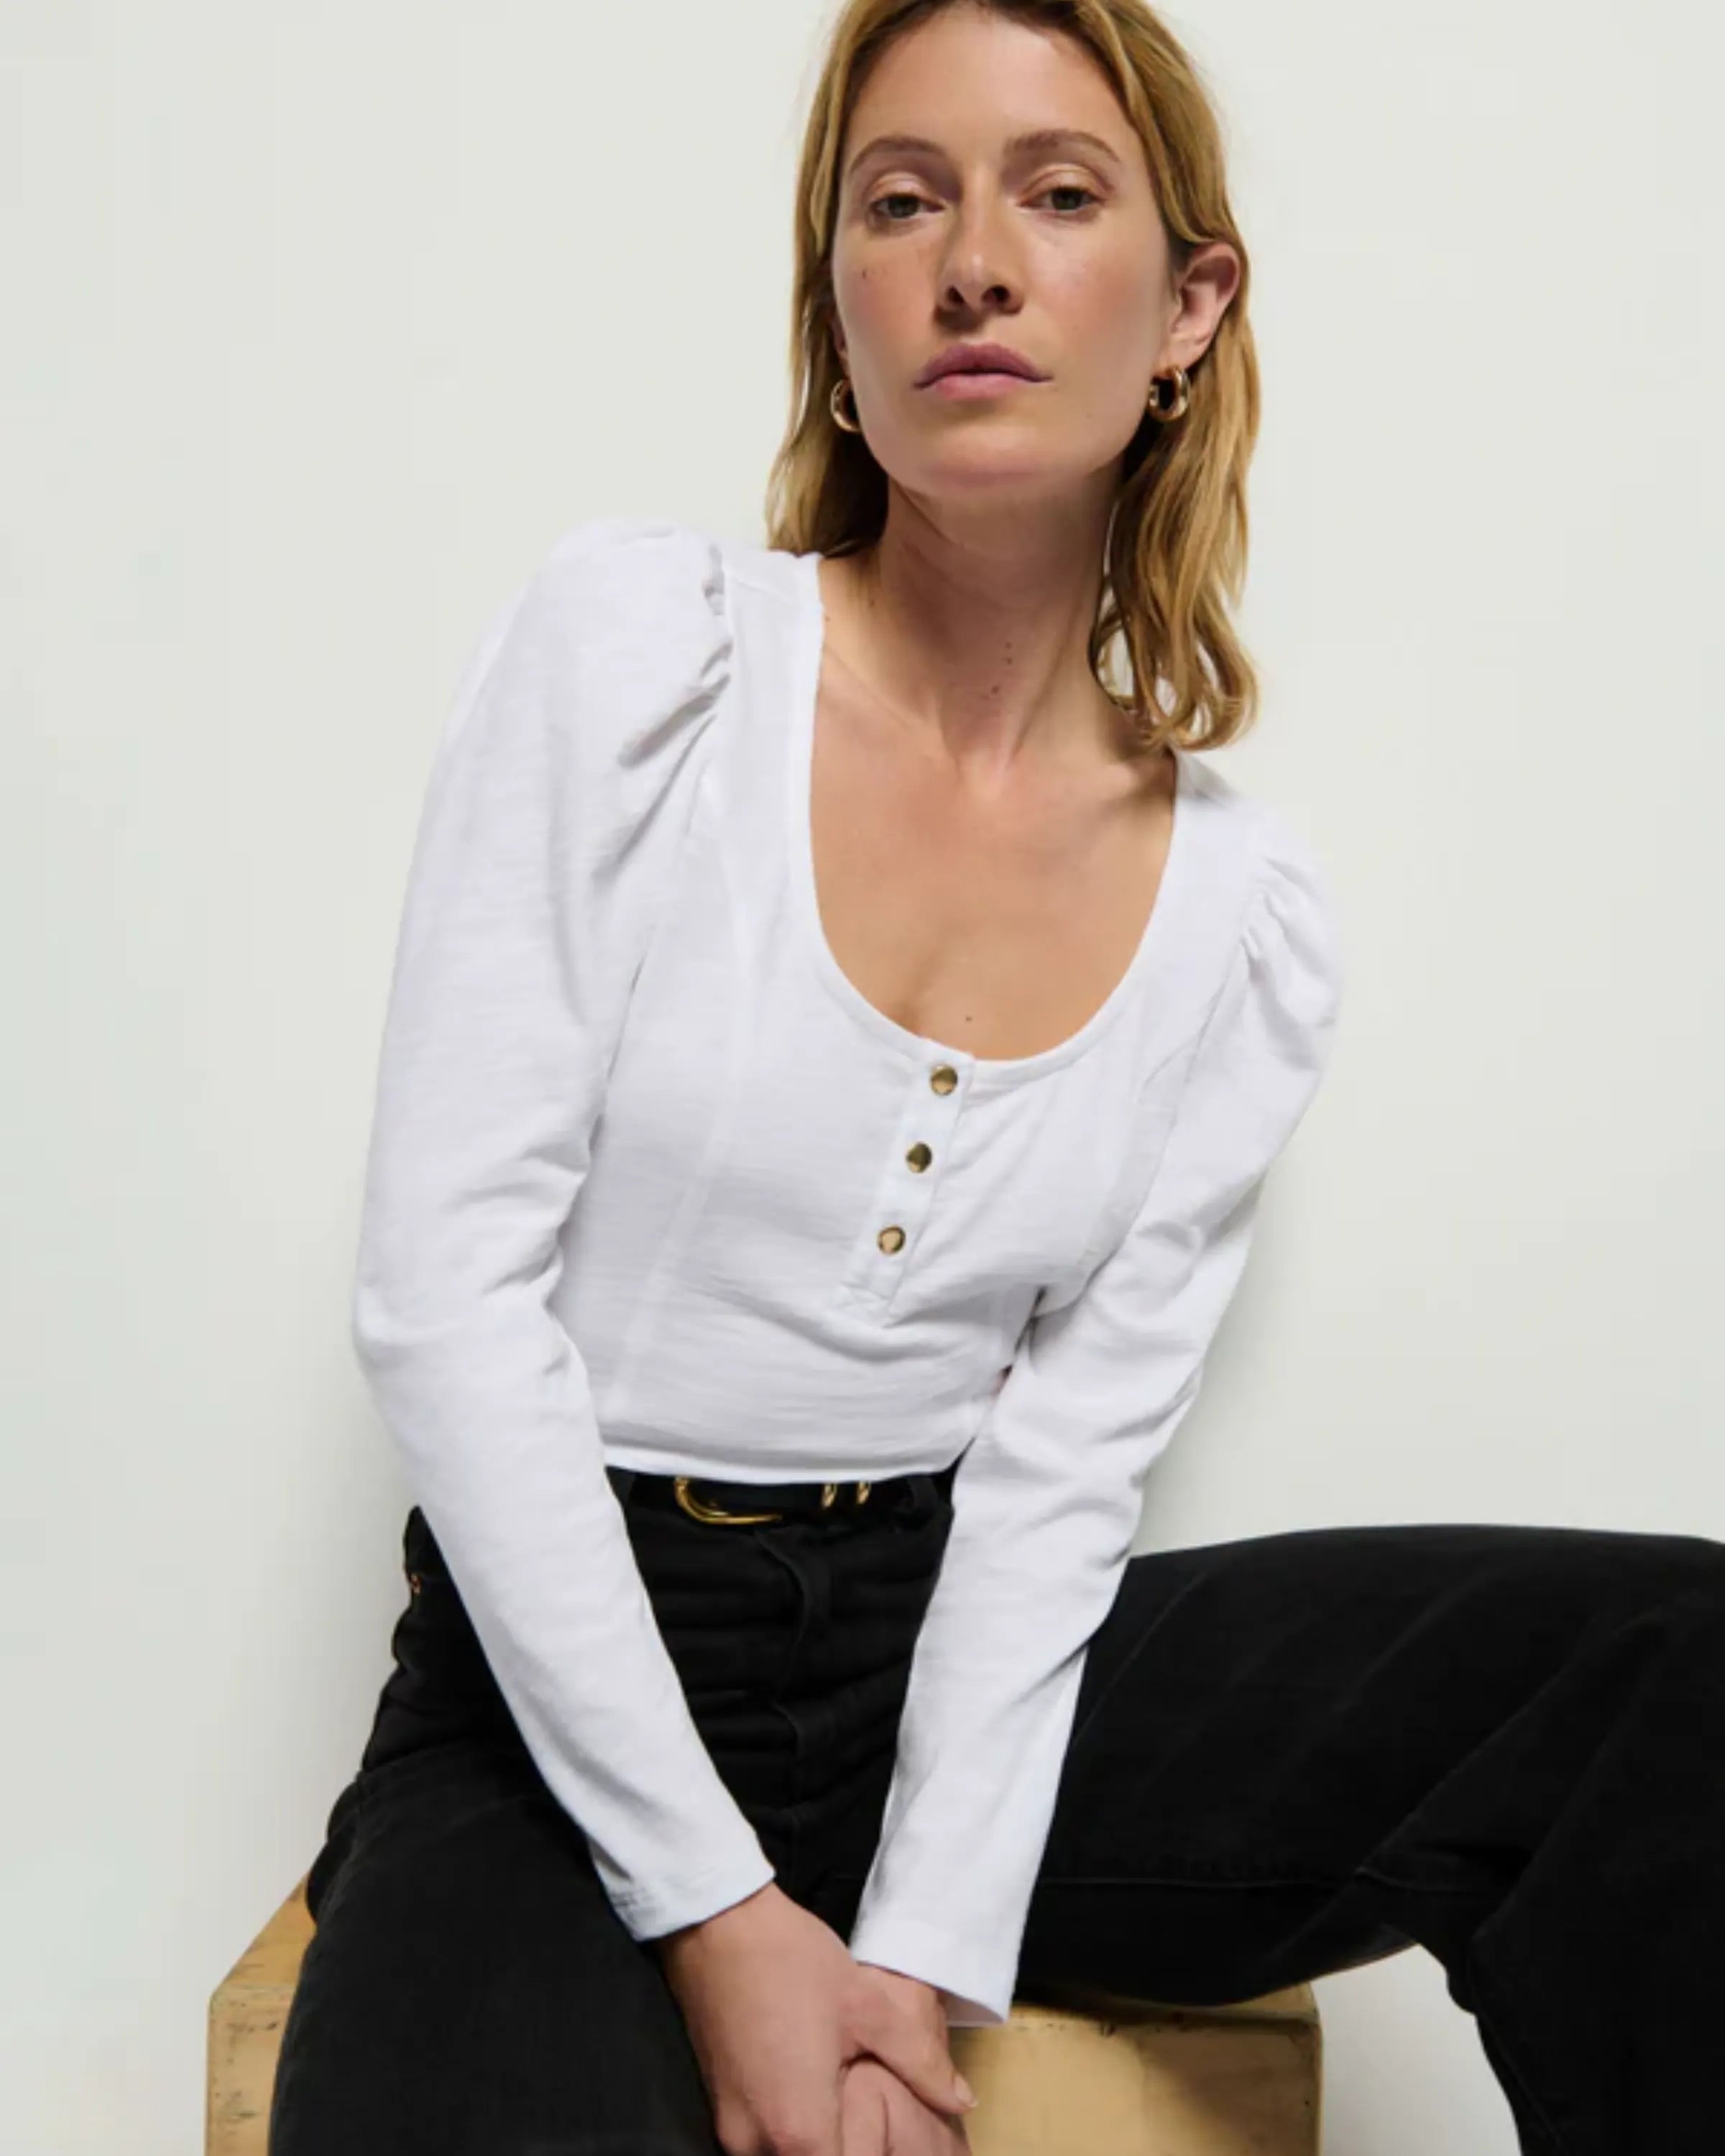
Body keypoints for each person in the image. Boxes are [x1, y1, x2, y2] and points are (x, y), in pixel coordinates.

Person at [268, 4, 1725, 2153]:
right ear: (839, 310)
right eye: (901, 202)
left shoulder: (1239, 914)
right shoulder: (643, 665)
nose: (973, 263)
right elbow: (443, 1306)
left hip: (951, 1663)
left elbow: (1058, 1472)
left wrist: (922, 1952)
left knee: (1668, 1673)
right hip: (556, 1680)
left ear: (1187, 308)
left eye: (1057, 194)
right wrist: (724, 1919)